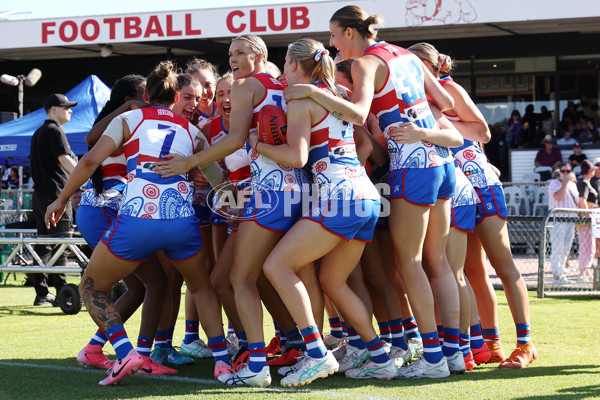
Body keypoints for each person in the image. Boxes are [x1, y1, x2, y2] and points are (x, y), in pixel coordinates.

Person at [283, 6, 464, 379]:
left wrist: (313, 94)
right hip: (443, 161)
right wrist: (415, 119)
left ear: (350, 33)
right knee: (438, 263)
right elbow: (445, 104)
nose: (331, 43)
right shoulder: (407, 56)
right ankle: (453, 354)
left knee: (410, 263)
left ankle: (432, 360)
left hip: (413, 165)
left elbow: (357, 113)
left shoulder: (366, 63)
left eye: (333, 34)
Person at [45, 60, 233, 386]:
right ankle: (222, 364)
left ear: (147, 93)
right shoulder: (192, 130)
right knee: (200, 286)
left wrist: (62, 199)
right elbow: (219, 180)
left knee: (91, 288)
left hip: (137, 219)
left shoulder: (130, 118)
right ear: (176, 99)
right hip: (181, 223)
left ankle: (125, 351)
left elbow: (90, 158)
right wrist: (235, 207)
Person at [408, 42, 537, 370]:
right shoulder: (412, 97)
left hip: (479, 182)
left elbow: (482, 131)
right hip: (453, 189)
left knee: (504, 266)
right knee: (469, 271)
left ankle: (525, 344)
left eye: (420, 63)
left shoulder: (449, 90)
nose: (413, 69)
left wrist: (440, 128)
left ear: (436, 66)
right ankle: (488, 345)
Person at [29, 93, 78, 307]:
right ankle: (62, 293)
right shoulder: (55, 130)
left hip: (40, 196)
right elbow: (65, 160)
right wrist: (86, 176)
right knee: (61, 245)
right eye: (66, 107)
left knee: (44, 246)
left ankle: (42, 293)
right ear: (54, 109)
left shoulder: (38, 132)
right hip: (57, 196)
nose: (70, 110)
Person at [547, 164, 578, 285]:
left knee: (566, 249)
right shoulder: (554, 183)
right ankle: (557, 276)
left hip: (571, 220)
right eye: (563, 171)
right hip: (558, 220)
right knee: (557, 248)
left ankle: (561, 273)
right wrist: (564, 183)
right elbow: (558, 197)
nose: (565, 173)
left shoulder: (573, 185)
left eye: (568, 171)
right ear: (559, 172)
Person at [575, 160, 597, 283]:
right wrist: (588, 217)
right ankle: (583, 272)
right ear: (589, 171)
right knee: (588, 246)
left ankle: (585, 271)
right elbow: (582, 201)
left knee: (588, 245)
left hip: (586, 217)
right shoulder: (583, 183)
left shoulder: (585, 182)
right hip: (585, 218)